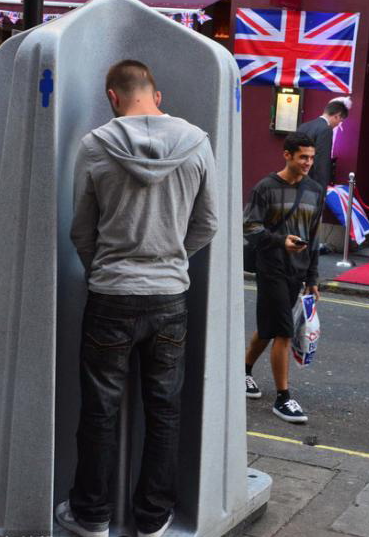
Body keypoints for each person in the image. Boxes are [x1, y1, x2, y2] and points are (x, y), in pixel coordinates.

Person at [58, 60, 217, 537]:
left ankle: (92, 516)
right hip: (170, 296)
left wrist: (108, 268)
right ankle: (152, 518)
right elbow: (208, 223)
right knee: (165, 409)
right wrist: (170, 258)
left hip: (110, 294)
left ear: (112, 96)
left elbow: (81, 230)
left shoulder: (95, 146)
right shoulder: (196, 144)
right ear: (157, 95)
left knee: (99, 410)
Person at [243, 132, 324, 424]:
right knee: (284, 331)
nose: (308, 163)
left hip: (298, 270)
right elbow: (249, 227)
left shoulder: (315, 190)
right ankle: (283, 398)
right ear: (287, 155)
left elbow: (314, 239)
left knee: (268, 328)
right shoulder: (265, 188)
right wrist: (281, 242)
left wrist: (313, 278)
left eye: (312, 158)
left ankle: (243, 370)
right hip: (271, 267)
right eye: (303, 157)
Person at [296, 97, 350, 190]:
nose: (338, 124)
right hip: (311, 185)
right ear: (337, 115)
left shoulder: (303, 126)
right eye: (340, 121)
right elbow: (322, 162)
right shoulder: (326, 130)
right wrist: (322, 189)